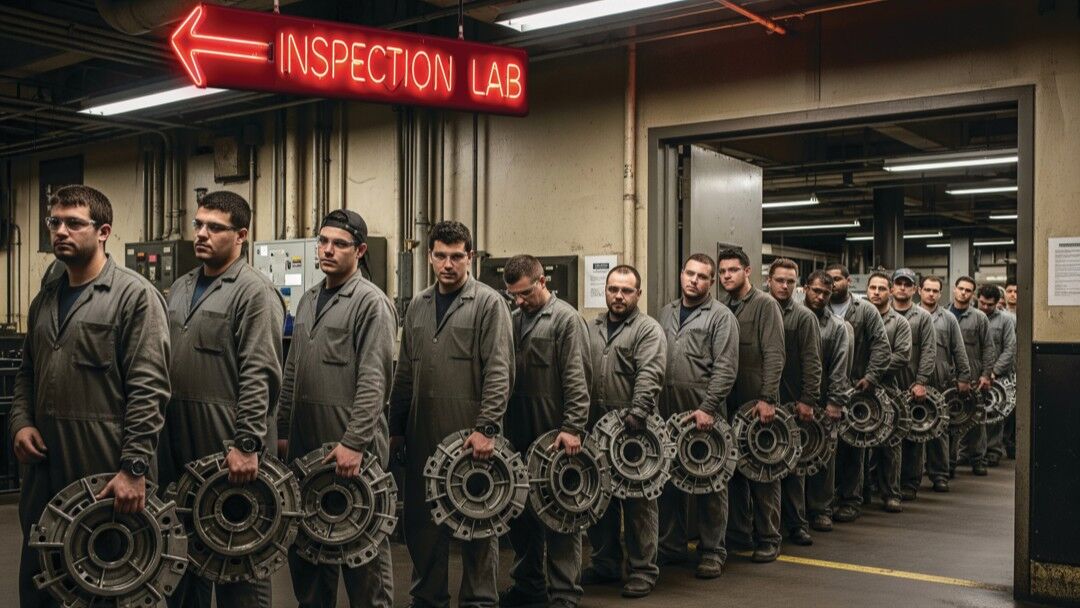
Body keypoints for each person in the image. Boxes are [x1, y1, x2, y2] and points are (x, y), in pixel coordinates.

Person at [11, 185, 170, 608]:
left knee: (107, 583)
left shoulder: (135, 297)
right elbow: (27, 372)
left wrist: (135, 468)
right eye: (54, 223)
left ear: (103, 231)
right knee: (42, 578)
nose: (61, 231)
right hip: (45, 470)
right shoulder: (45, 299)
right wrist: (21, 422)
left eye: (74, 223)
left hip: (105, 471)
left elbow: (149, 389)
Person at [162, 191, 285, 608]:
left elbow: (260, 372)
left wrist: (248, 443)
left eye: (215, 227)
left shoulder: (254, 293)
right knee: (181, 566)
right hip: (179, 450)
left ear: (242, 235)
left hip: (231, 455)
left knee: (238, 569)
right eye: (198, 224)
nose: (202, 234)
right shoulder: (179, 288)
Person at [389, 221, 514, 608]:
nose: (448, 264)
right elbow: (405, 372)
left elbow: (500, 370)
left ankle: (479, 600)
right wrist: (395, 428)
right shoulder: (418, 304)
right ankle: (428, 597)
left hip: (472, 437)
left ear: (470, 257)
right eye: (440, 255)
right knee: (423, 525)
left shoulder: (489, 303)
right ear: (429, 257)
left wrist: (487, 430)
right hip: (423, 433)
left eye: (456, 256)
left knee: (478, 522)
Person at [277, 210, 396, 608]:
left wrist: (355, 443)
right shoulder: (310, 298)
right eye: (323, 241)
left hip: (350, 454)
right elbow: (292, 371)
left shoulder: (371, 304)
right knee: (308, 554)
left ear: (360, 251)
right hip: (306, 450)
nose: (328, 250)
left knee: (362, 557)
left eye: (340, 244)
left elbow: (374, 381)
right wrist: (281, 431)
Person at [500, 254, 591, 608]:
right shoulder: (512, 319)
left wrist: (572, 428)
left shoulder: (566, 320)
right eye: (513, 295)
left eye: (525, 293)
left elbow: (578, 380)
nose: (519, 301)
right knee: (521, 516)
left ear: (542, 282)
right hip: (518, 433)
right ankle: (530, 585)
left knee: (560, 517)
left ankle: (564, 593)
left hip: (554, 434)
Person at [581, 264, 666, 598]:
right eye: (613, 289)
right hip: (596, 427)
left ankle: (643, 570)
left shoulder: (647, 329)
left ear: (638, 294)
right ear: (605, 290)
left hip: (634, 429)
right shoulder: (592, 326)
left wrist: (639, 410)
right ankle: (606, 564)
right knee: (600, 499)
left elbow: (650, 372)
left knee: (638, 503)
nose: (618, 296)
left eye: (626, 290)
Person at [657, 253, 739, 578]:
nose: (694, 280)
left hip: (705, 414)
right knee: (669, 480)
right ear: (681, 275)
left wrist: (708, 408)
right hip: (668, 411)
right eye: (689, 274)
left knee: (710, 484)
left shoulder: (720, 317)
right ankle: (671, 546)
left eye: (702, 276)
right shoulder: (666, 312)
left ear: (712, 281)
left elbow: (726, 367)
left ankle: (712, 551)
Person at [717, 248, 786, 563]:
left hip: (758, 403)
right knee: (734, 472)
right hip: (729, 403)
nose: (726, 276)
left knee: (763, 473)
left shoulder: (764, 305)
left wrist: (768, 399)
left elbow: (774, 353)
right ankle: (739, 535)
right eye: (722, 271)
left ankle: (769, 538)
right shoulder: (722, 308)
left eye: (733, 270)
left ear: (748, 271)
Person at [824, 264, 890, 523]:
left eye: (837, 279)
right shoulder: (819, 308)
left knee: (853, 447)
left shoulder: (866, 311)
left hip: (855, 388)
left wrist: (871, 377)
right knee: (827, 447)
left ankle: (851, 500)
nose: (833, 284)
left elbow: (881, 347)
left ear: (848, 281)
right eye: (829, 280)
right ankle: (830, 500)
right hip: (828, 387)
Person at [766, 259, 822, 545]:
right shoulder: (762, 311)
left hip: (791, 401)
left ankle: (797, 525)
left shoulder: (803, 318)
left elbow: (813, 361)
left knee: (792, 467)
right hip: (764, 400)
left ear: (797, 285)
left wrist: (808, 399)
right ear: (769, 280)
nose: (784, 286)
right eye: (779, 280)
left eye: (790, 281)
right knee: (764, 464)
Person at [798, 271, 849, 535]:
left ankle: (821, 510)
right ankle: (796, 514)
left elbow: (840, 368)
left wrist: (835, 402)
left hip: (824, 399)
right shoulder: (792, 317)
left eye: (825, 293)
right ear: (805, 288)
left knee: (824, 456)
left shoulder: (837, 327)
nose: (819, 296)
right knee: (794, 456)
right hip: (796, 399)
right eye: (815, 290)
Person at [918, 276, 972, 492]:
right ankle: (909, 477)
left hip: (940, 381)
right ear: (919, 291)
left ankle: (939, 474)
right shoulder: (911, 316)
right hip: (914, 381)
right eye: (927, 290)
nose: (931, 294)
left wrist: (964, 376)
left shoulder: (948, 319)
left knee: (939, 429)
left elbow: (959, 350)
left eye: (935, 291)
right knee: (911, 429)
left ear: (940, 294)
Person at [863, 272, 912, 513]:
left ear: (890, 291)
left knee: (890, 442)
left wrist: (873, 373)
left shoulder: (899, 323)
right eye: (873, 287)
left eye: (882, 288)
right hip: (860, 387)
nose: (876, 292)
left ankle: (891, 493)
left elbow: (902, 355)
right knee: (859, 440)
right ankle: (863, 491)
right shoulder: (859, 315)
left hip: (888, 388)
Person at [890, 269, 938, 502]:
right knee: (885, 436)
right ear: (892, 287)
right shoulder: (880, 314)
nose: (902, 287)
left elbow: (929, 351)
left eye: (906, 284)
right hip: (887, 384)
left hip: (910, 385)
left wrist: (921, 382)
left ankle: (909, 483)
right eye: (898, 283)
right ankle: (886, 484)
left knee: (911, 437)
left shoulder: (922, 317)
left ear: (913, 289)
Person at [950, 276, 996, 477]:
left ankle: (978, 459)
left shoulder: (979, 318)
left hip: (974, 376)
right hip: (949, 375)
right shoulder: (944, 314)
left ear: (973, 294)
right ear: (954, 289)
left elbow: (988, 348)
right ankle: (949, 463)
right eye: (961, 289)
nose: (963, 293)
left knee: (976, 419)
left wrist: (986, 374)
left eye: (968, 290)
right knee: (950, 420)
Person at [976, 285, 1017, 468]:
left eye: (989, 305)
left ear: (996, 303)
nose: (985, 307)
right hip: (976, 374)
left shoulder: (1006, 321)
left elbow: (1010, 349)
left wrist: (994, 371)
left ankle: (993, 451)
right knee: (972, 414)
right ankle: (973, 453)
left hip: (997, 376)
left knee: (995, 415)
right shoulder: (973, 318)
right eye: (982, 303)